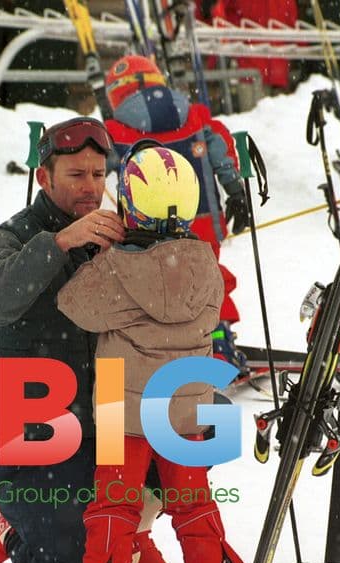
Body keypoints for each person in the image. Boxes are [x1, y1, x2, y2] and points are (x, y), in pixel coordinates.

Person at [0, 116, 189, 563]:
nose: (90, 187)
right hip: (33, 436)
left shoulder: (118, 232)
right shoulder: (14, 236)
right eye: (76, 175)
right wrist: (59, 242)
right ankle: (5, 524)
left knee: (187, 451)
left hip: (108, 422)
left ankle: (128, 540)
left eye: (99, 175)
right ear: (44, 178)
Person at [45, 142, 246, 563]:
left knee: (116, 500)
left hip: (123, 404)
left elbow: (74, 305)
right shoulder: (204, 262)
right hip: (187, 403)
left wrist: (103, 254)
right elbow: (213, 307)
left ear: (130, 205)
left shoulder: (117, 269)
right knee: (192, 500)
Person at [103, 54, 250, 369]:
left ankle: (160, 344)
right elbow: (221, 148)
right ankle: (217, 340)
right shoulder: (195, 115)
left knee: (153, 283)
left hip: (145, 224)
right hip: (201, 218)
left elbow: (96, 165)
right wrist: (236, 191)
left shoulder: (113, 130)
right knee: (207, 277)